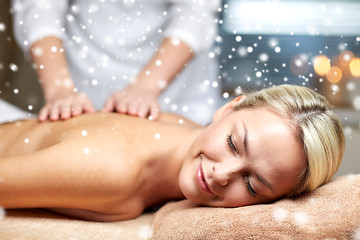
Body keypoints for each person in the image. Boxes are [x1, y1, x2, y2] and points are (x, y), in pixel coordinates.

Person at [0, 84, 345, 221]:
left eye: (252, 185)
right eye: (232, 144)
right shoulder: (113, 171)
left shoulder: (182, 126)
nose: (221, 175)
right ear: (228, 108)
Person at [11, 0, 222, 125]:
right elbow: (40, 6)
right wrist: (59, 89)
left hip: (179, 93)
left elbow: (196, 11)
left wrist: (146, 87)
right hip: (83, 86)